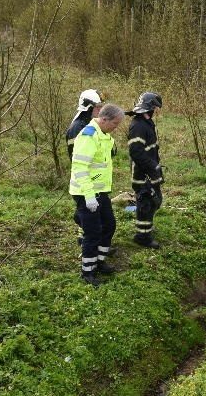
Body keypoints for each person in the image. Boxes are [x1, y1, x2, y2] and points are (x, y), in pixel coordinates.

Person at [69, 104, 124, 286]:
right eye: (114, 124)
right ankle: (88, 271)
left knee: (109, 224)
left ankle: (99, 261)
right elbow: (80, 167)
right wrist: (89, 195)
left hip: (100, 191)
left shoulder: (104, 135)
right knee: (92, 232)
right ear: (104, 119)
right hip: (86, 193)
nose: (116, 127)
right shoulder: (88, 135)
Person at [65, 89, 105, 248]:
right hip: (84, 180)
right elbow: (78, 160)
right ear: (88, 108)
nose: (100, 111)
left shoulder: (90, 125)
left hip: (94, 179)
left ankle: (87, 239)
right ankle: (86, 242)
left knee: (93, 214)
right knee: (85, 214)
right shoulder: (78, 128)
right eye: (97, 107)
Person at [127, 92, 164, 249]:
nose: (155, 110)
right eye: (154, 107)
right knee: (146, 204)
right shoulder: (138, 126)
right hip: (142, 174)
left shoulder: (146, 123)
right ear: (148, 108)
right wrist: (152, 167)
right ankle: (142, 236)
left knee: (155, 201)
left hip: (151, 171)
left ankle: (146, 229)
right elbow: (136, 152)